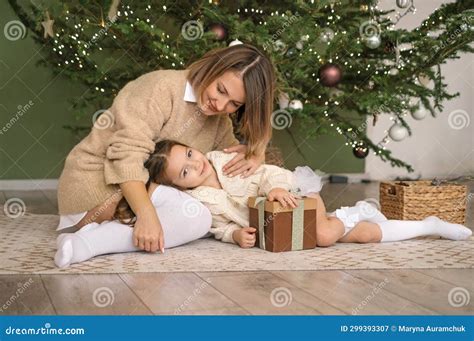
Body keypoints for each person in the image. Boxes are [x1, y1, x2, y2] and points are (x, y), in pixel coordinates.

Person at [54, 140, 472, 268]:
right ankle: (384, 220)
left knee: (325, 234)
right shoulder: (197, 200)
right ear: (174, 186)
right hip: (273, 225)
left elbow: (270, 173)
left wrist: (274, 190)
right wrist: (235, 233)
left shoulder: (225, 160)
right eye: (183, 171)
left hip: (292, 197)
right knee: (344, 235)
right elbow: (216, 224)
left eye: (190, 155)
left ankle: (427, 224)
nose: (194, 166)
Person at [56, 44, 276, 254]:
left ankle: (101, 236)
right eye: (220, 90)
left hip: (143, 192)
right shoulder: (162, 87)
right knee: (197, 217)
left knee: (202, 210)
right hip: (96, 185)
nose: (220, 105)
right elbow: (126, 158)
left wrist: (256, 156)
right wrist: (146, 214)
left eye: (234, 104)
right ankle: (90, 243)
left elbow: (227, 175)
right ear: (212, 66)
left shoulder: (218, 120)